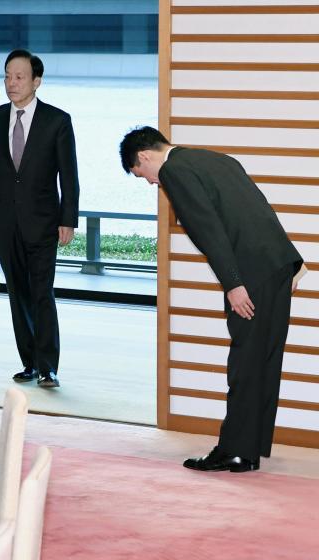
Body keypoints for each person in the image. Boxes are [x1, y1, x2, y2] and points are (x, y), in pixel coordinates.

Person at [120, 126, 304, 473]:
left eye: (141, 174)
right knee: (265, 360)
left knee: (246, 363)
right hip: (279, 264)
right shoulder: (215, 158)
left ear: (144, 156)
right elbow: (259, 207)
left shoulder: (174, 170)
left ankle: (234, 449)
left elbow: (209, 230)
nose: (150, 183)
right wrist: (288, 264)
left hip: (251, 273)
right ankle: (249, 450)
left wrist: (233, 284)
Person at [0, 49, 79, 388]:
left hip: (43, 222)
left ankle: (48, 366)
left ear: (36, 81)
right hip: (5, 223)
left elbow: (69, 175)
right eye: (7, 75)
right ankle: (29, 362)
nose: (12, 82)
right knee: (17, 293)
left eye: (19, 76)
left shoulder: (57, 120)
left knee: (41, 292)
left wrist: (68, 219)